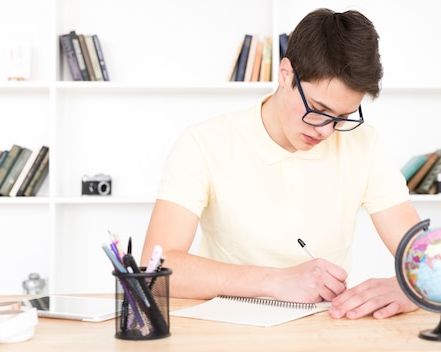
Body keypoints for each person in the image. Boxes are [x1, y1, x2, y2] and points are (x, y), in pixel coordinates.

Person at [141, 8, 421, 320]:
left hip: (324, 331)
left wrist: (410, 286)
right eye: (318, 109)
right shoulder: (204, 142)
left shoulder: (365, 145)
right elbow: (154, 271)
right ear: (286, 73)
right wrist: (277, 281)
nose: (326, 130)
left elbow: (425, 258)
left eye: (342, 118)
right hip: (227, 329)